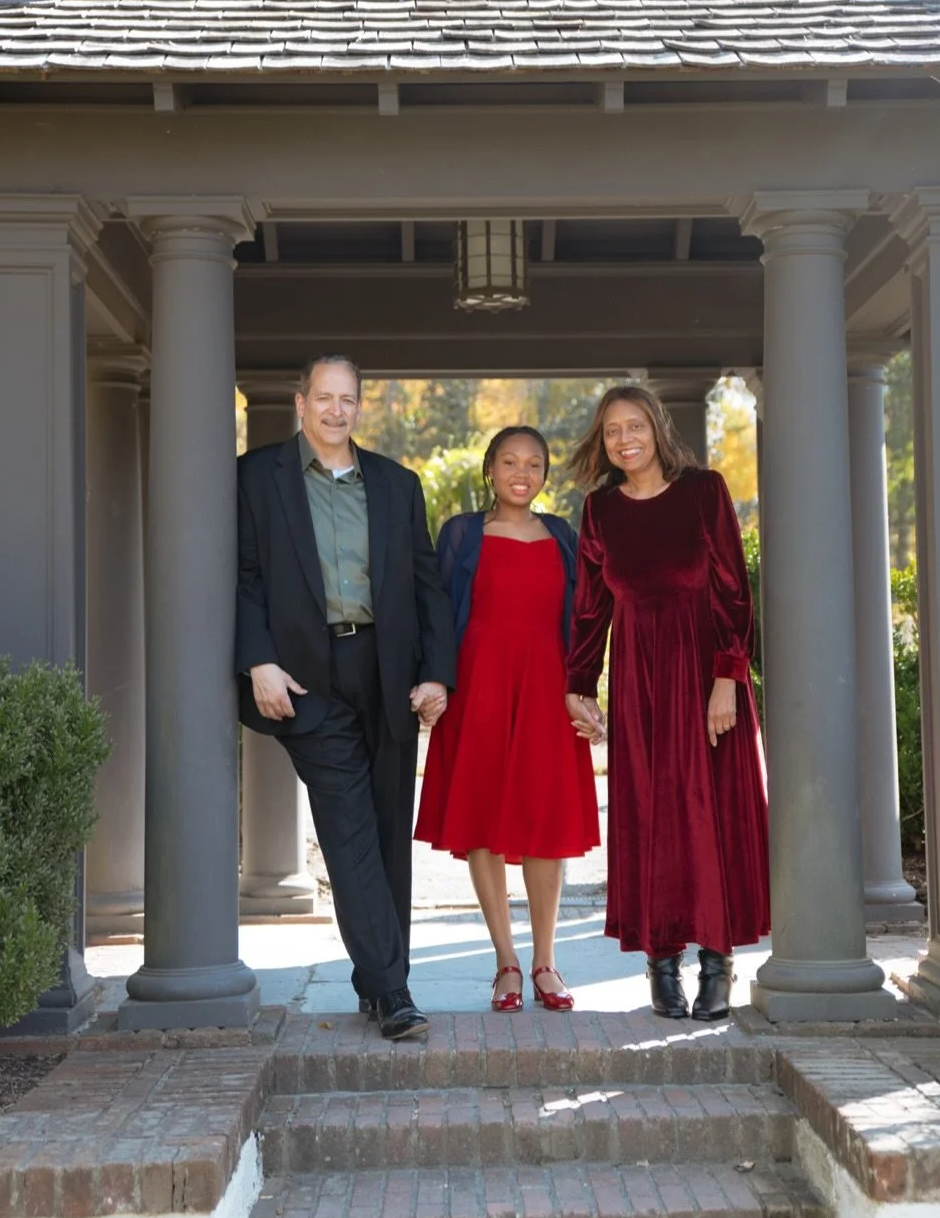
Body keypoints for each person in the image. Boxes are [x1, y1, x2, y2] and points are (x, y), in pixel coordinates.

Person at [236, 354, 456, 1040]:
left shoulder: (396, 484)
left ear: (359, 407)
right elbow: (239, 576)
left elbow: (427, 587)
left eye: (348, 400)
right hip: (306, 677)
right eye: (323, 398)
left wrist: (436, 674)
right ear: (300, 403)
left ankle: (377, 982)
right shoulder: (256, 477)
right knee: (349, 827)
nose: (336, 410)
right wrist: (258, 660)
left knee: (389, 831)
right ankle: (394, 992)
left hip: (386, 670)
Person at [565, 386, 769, 1021]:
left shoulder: (703, 492)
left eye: (635, 426)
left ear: (657, 428)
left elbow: (735, 590)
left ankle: (717, 961)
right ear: (602, 443)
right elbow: (591, 606)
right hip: (638, 684)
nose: (625, 439)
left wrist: (728, 678)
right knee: (652, 818)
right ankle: (660, 960)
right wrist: (579, 685)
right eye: (612, 431)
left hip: (706, 677)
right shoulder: (600, 511)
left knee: (709, 817)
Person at [415, 427, 600, 1012]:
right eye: (510, 461)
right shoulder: (462, 534)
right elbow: (436, 612)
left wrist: (583, 690)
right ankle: (506, 963)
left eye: (535, 463)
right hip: (479, 690)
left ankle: (546, 961)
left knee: (546, 820)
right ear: (490, 469)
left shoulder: (565, 536)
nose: (522, 472)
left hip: (547, 690)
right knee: (484, 819)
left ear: (545, 474)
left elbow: (586, 621)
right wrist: (435, 681)